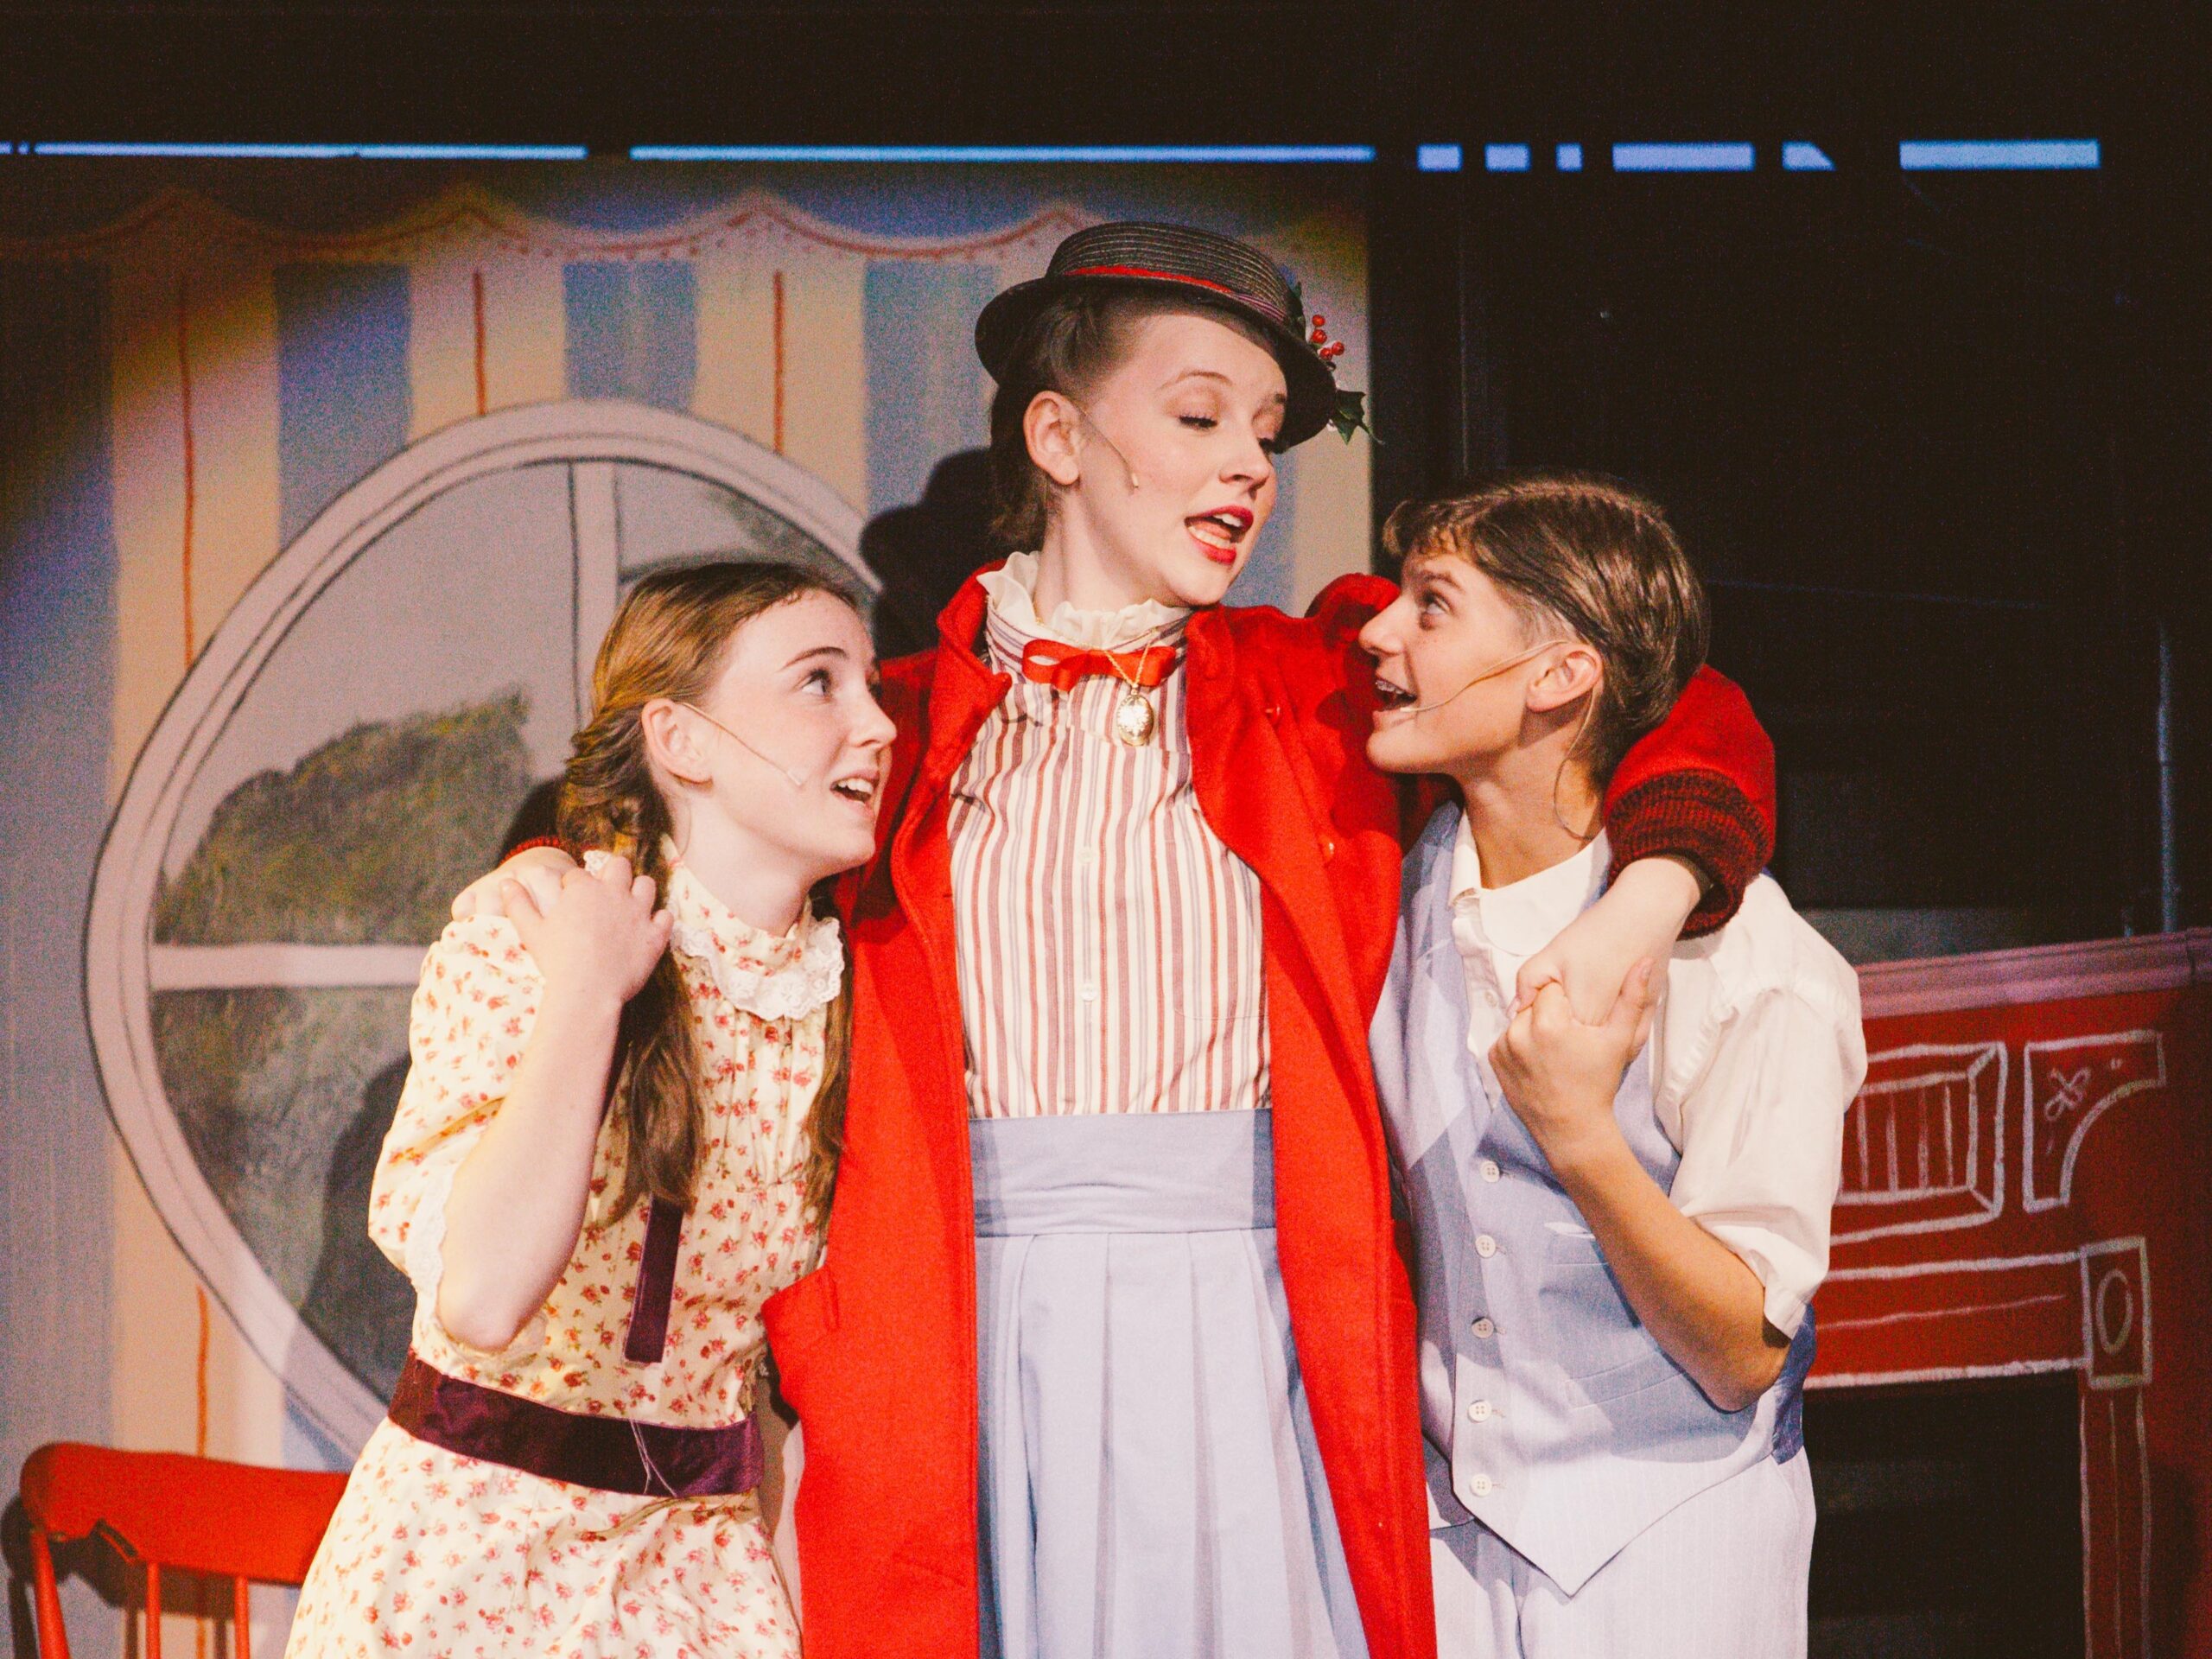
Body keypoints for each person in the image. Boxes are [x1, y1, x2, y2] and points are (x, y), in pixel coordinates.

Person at [461, 223, 1780, 1659]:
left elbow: (1679, 701)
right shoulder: (891, 724)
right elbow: (651, 804)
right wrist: (550, 878)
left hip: (1254, 1324)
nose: (1249, 467)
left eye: (1267, 433)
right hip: (969, 1324)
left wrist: (1651, 894)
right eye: (1200, 417)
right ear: (1060, 439)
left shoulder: (1317, 688)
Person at [288, 561, 895, 1658]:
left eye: (871, 685)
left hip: (703, 1578)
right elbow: (482, 1297)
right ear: (681, 740)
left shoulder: (844, 999)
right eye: (819, 682)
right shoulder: (527, 939)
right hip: (477, 1562)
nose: (877, 725)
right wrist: (587, 990)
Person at [1360, 477, 1863, 1657]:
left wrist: (1582, 1140)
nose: (1378, 632)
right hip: (1441, 1534)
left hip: (1669, 1537)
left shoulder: (1749, 963)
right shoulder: (1392, 892)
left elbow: (1741, 1351)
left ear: (1558, 675)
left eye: (1432, 604)